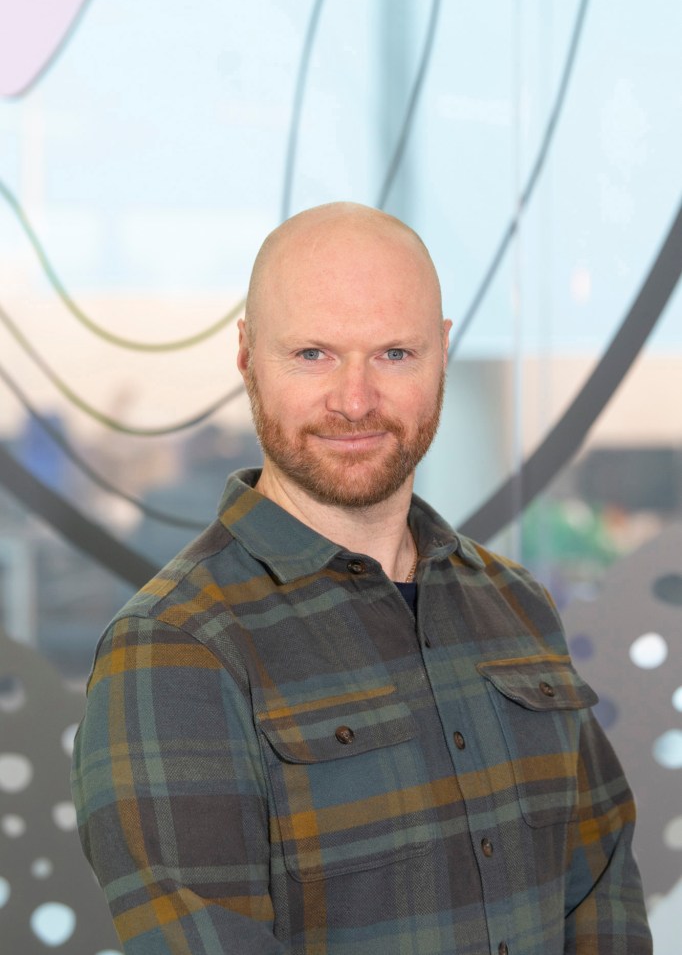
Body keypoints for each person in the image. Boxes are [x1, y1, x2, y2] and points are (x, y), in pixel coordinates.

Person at [71, 202, 652, 954]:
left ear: (442, 353)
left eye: (395, 354)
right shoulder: (172, 649)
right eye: (313, 353)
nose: (355, 400)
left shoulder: (517, 605)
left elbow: (603, 891)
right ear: (247, 356)